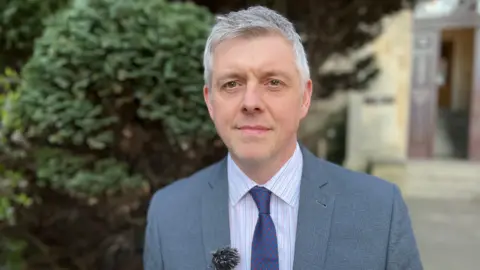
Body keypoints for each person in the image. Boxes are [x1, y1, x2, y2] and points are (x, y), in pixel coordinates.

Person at [143, 6, 423, 270]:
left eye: (273, 82)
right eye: (231, 84)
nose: (250, 102)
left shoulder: (379, 211)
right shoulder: (168, 214)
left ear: (304, 97)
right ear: (210, 102)